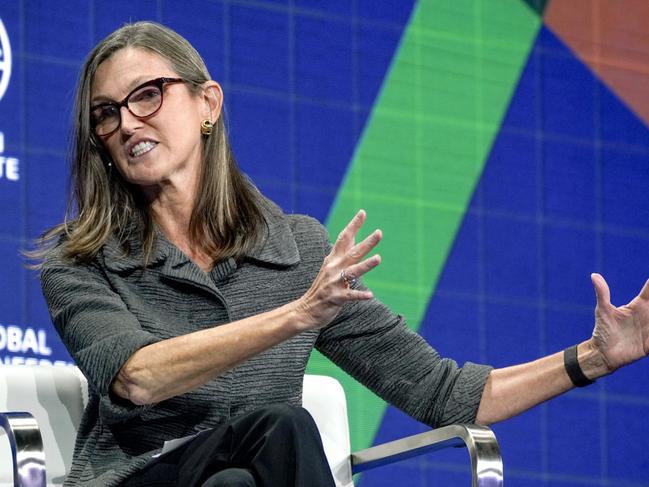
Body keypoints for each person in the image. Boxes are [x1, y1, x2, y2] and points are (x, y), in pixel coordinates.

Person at [35, 21, 649, 487]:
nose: (127, 123)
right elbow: (138, 378)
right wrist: (296, 317)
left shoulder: (296, 249)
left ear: (208, 105)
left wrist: (595, 357)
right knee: (281, 426)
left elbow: (444, 392)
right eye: (106, 114)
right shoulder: (81, 259)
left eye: (147, 95)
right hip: (135, 479)